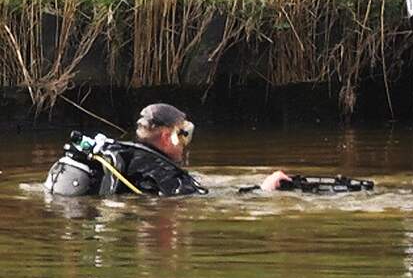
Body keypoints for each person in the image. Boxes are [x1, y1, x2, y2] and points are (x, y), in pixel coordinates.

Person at [44, 103, 292, 197]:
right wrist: (263, 190)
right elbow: (200, 199)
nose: (185, 144)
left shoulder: (126, 154)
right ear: (167, 135)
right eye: (184, 134)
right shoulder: (163, 171)